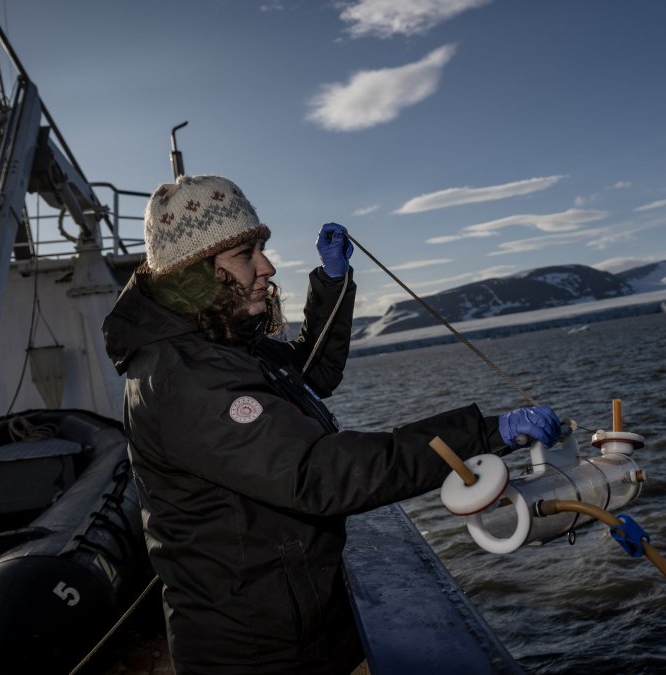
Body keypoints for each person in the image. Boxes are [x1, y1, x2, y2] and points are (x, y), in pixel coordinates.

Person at [102, 174, 561, 675]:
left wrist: (332, 281)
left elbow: (311, 372)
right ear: (194, 274)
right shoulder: (184, 379)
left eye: (262, 248)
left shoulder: (223, 348)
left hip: (298, 624)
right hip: (255, 655)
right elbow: (318, 473)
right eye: (245, 254)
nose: (268, 266)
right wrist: (482, 435)